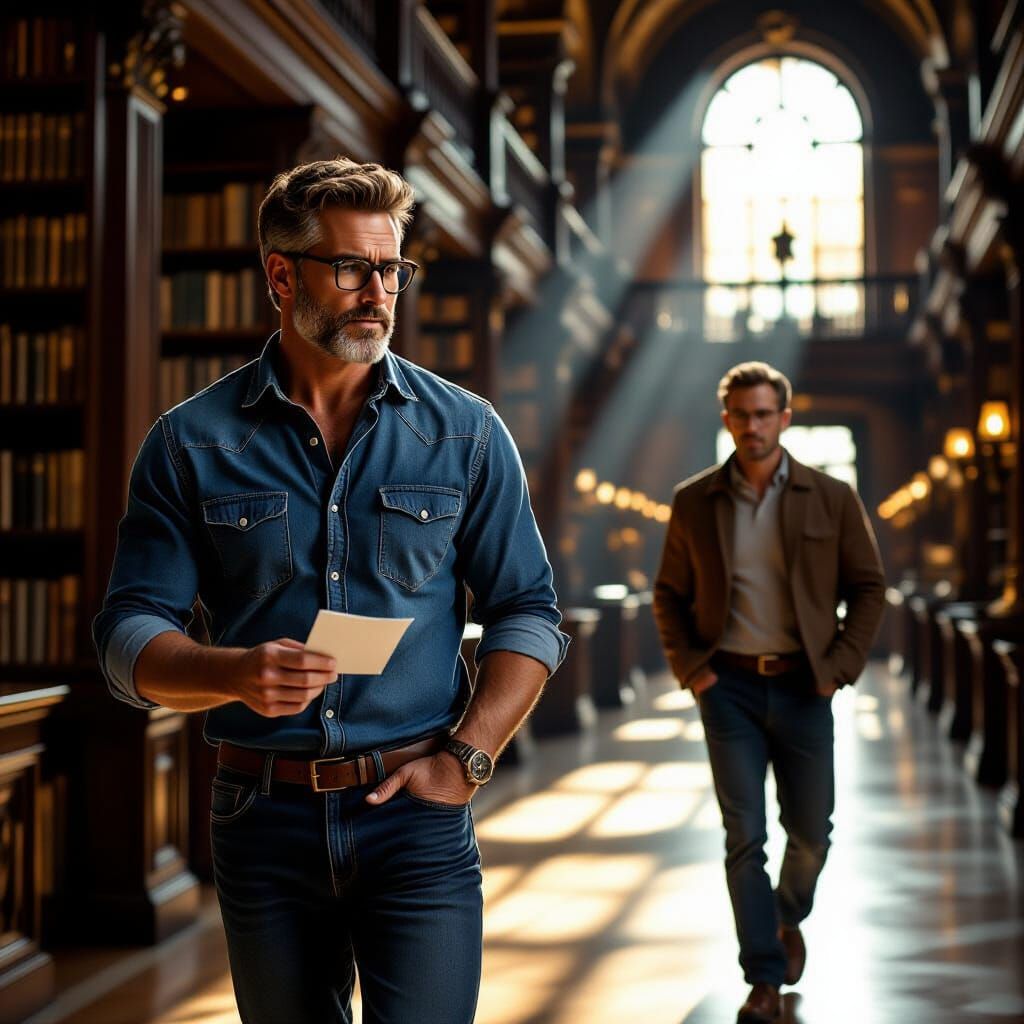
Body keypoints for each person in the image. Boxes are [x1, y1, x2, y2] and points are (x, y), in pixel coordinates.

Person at [93, 157, 568, 1024]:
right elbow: (127, 639)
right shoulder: (191, 444)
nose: (378, 293)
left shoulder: (464, 433)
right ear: (282, 275)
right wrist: (230, 673)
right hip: (261, 819)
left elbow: (529, 611)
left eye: (391, 270)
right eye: (352, 268)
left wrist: (467, 757)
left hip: (415, 813)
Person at [653, 361, 884, 1023]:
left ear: (785, 418)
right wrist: (694, 672)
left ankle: (784, 917)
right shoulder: (694, 500)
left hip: (806, 687)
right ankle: (763, 976)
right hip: (727, 688)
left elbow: (869, 588)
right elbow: (667, 595)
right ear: (726, 418)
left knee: (812, 834)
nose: (751, 426)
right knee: (743, 837)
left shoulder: (830, 496)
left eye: (763, 414)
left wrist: (838, 666)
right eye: (740, 414)